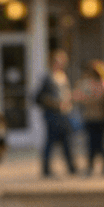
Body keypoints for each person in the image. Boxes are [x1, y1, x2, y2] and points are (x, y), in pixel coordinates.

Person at [34, 49, 77, 177]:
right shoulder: (47, 78)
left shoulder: (63, 76)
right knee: (50, 141)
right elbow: (38, 97)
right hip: (52, 115)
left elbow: (65, 94)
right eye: (58, 61)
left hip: (64, 113)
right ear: (52, 62)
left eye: (63, 62)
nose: (61, 64)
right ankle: (46, 169)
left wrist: (69, 100)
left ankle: (72, 167)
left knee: (66, 141)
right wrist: (54, 103)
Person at [73, 59, 104, 176]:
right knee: (94, 143)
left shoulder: (101, 84)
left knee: (98, 143)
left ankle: (99, 166)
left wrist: (88, 99)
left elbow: (82, 98)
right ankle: (95, 166)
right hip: (93, 118)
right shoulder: (103, 84)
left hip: (98, 117)